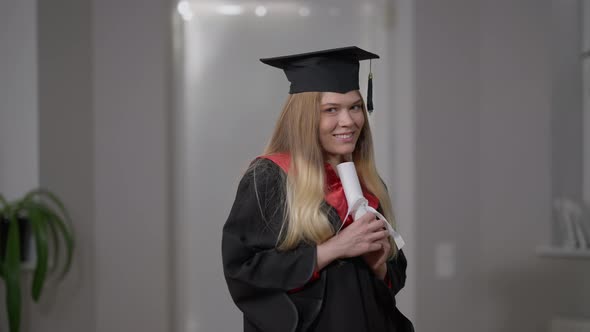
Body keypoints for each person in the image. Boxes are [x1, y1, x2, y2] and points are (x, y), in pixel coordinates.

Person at [222, 46, 414, 332]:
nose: (348, 121)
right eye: (331, 110)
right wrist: (332, 250)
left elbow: (394, 277)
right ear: (304, 117)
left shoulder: (369, 183)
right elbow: (244, 271)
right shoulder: (270, 177)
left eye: (355, 106)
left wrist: (380, 266)